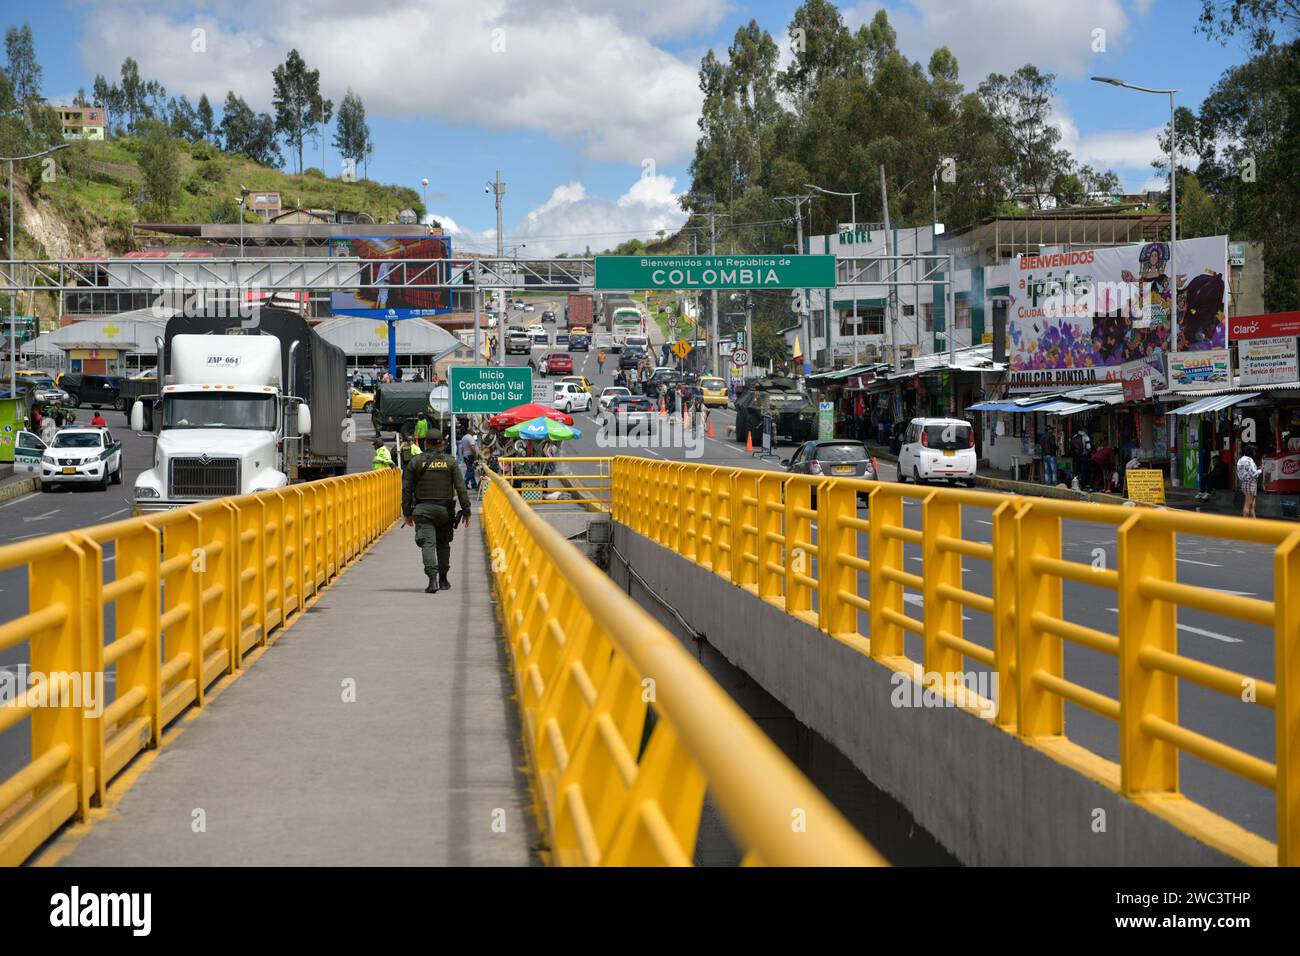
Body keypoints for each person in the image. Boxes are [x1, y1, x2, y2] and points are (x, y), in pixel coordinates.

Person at [402, 427, 472, 593]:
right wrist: (467, 511)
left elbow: (406, 489)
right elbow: (461, 488)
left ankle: (432, 581)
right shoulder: (450, 462)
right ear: (442, 443)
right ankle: (443, 579)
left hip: (422, 510)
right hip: (444, 511)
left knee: (428, 544)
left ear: (426, 443)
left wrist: (407, 513)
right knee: (443, 544)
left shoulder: (416, 461)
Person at [1237, 444, 1262, 518]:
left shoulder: (1241, 460)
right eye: (1254, 451)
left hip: (1245, 482)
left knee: (1252, 505)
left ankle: (1254, 526)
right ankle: (1245, 526)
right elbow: (1254, 473)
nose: (1255, 452)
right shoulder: (1249, 460)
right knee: (1248, 505)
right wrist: (1260, 470)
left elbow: (1241, 472)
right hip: (1250, 483)